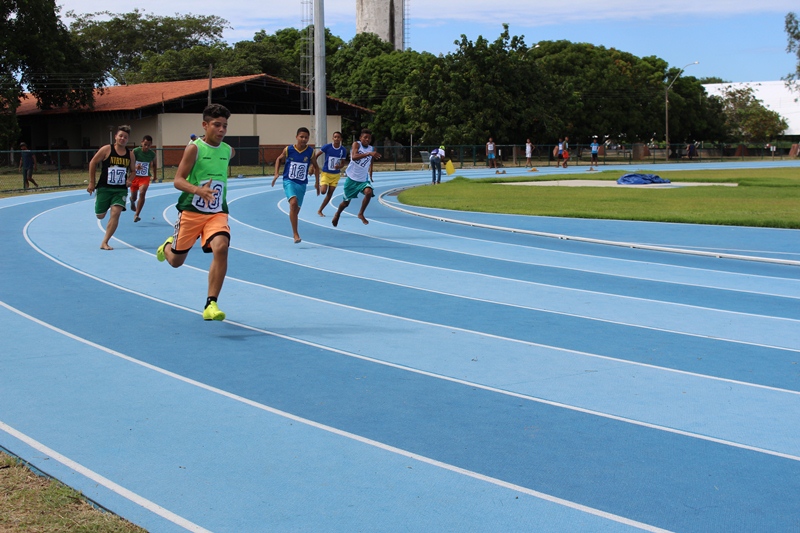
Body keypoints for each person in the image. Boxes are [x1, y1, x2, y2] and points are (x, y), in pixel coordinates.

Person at [156, 104, 235, 321]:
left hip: (217, 212)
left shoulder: (228, 150)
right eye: (216, 125)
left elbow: (227, 152)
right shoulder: (194, 149)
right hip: (191, 211)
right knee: (176, 261)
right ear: (205, 125)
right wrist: (198, 190)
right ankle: (167, 246)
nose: (221, 130)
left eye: (225, 126)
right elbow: (177, 180)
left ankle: (211, 304)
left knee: (221, 247)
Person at [87, 125, 135, 250]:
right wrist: (92, 183)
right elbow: (92, 162)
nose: (122, 139)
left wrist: (129, 179)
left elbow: (133, 171)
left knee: (116, 213)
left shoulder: (130, 154)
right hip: (104, 188)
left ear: (128, 139)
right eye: (120, 136)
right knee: (100, 216)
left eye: (125, 137)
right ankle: (104, 204)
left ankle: (105, 242)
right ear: (115, 137)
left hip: (120, 190)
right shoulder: (107, 149)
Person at [272, 127, 320, 243]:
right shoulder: (289, 149)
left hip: (302, 184)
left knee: (295, 210)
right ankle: (295, 234)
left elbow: (316, 167)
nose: (303, 139)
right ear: (296, 137)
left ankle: (293, 224)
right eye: (301, 137)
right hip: (289, 181)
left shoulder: (310, 152)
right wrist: (276, 173)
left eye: (306, 137)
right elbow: (278, 159)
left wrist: (317, 183)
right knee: (293, 204)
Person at [332, 128, 381, 227]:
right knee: (345, 203)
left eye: (369, 138)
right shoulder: (356, 144)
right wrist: (368, 153)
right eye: (365, 137)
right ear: (360, 138)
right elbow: (353, 157)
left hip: (363, 180)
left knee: (369, 192)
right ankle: (338, 213)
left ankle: (361, 213)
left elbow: (371, 161)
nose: (367, 139)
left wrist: (371, 173)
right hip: (351, 179)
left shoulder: (372, 149)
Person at [314, 131, 347, 217]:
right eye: (335, 137)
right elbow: (316, 155)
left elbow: (343, 163)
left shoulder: (343, 150)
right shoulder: (327, 147)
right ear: (332, 138)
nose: (336, 138)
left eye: (338, 137)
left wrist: (339, 166)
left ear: (341, 139)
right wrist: (313, 166)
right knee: (323, 191)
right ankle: (320, 185)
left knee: (330, 193)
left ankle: (320, 210)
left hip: (335, 175)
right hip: (326, 173)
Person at [130, 135, 157, 222]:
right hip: (134, 176)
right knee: (134, 197)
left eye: (148, 145)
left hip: (145, 177)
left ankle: (137, 214)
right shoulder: (135, 151)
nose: (146, 147)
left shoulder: (152, 154)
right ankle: (132, 200)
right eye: (145, 144)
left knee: (142, 192)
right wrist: (135, 166)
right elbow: (129, 162)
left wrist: (155, 176)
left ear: (151, 145)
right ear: (142, 142)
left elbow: (155, 165)